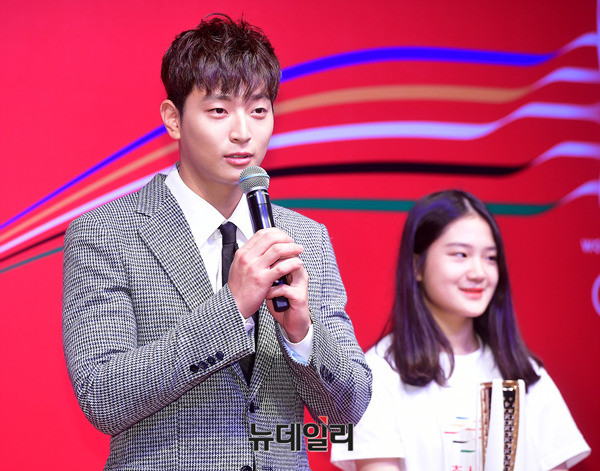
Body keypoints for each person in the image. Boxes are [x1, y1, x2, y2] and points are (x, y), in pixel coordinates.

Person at [62, 14, 371, 471]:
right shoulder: (107, 234)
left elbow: (350, 409)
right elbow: (103, 395)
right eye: (219, 111)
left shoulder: (305, 238)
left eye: (259, 110)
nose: (243, 132)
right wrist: (232, 308)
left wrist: (303, 333)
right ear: (173, 119)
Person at [331, 190, 590, 471]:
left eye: (490, 258)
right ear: (417, 265)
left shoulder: (524, 372)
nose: (479, 272)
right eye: (461, 254)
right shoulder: (376, 376)